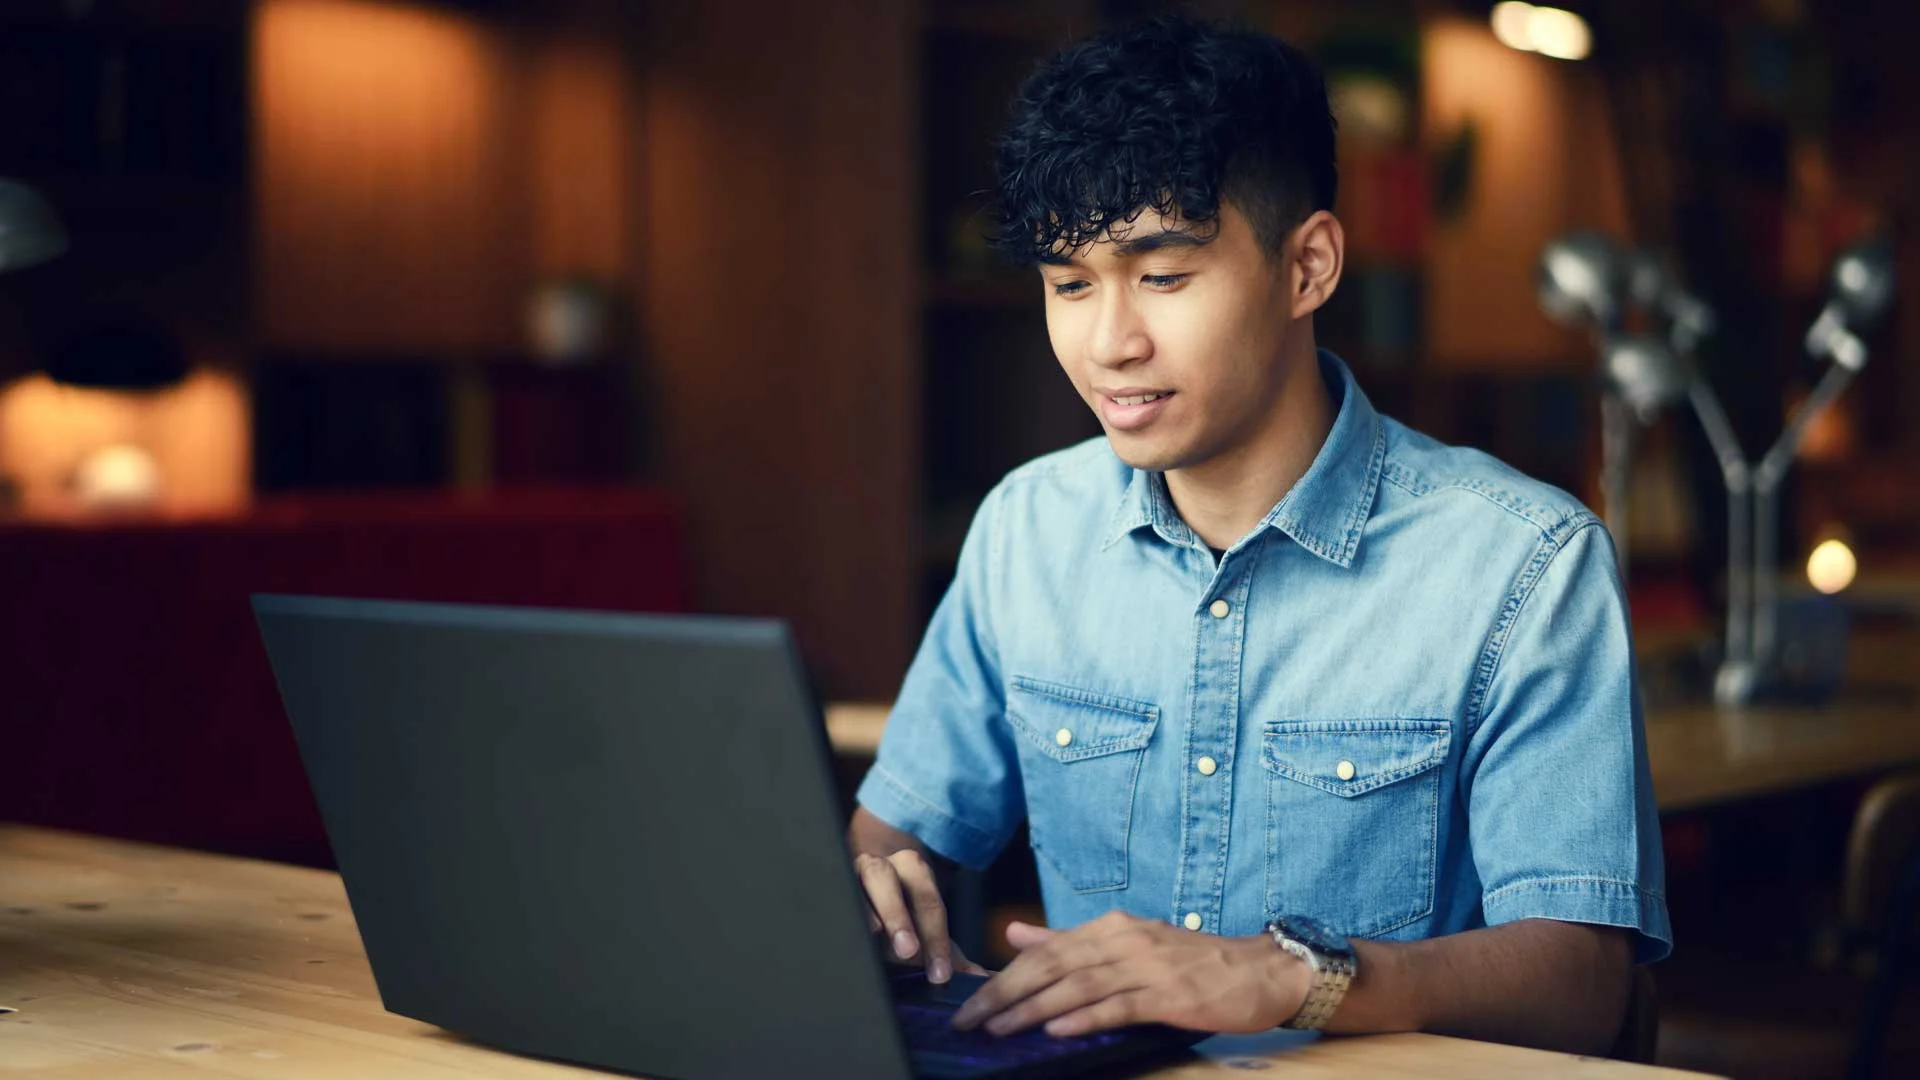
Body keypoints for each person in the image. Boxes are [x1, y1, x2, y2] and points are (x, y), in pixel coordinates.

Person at [848, 14, 1669, 1055]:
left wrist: (1282, 977)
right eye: (1068, 285)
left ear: (1309, 265)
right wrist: (871, 898)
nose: (1110, 343)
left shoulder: (1523, 563)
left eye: (1164, 276)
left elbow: (1584, 985)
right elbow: (889, 844)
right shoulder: (1028, 528)